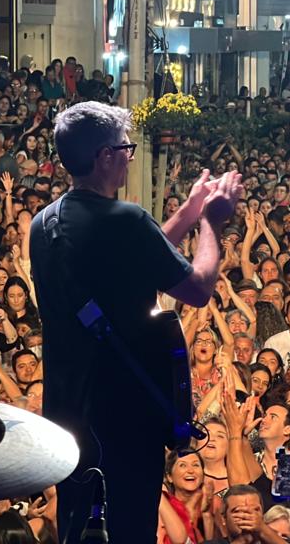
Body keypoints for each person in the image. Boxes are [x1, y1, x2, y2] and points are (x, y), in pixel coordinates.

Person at [29, 101, 243, 542]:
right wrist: (210, 223)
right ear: (105, 156)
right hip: (124, 415)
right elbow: (199, 288)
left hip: (70, 415)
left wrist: (186, 210)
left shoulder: (43, 224)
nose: (129, 155)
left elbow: (134, 260)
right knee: (128, 530)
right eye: (125, 148)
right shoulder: (125, 221)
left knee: (77, 528)